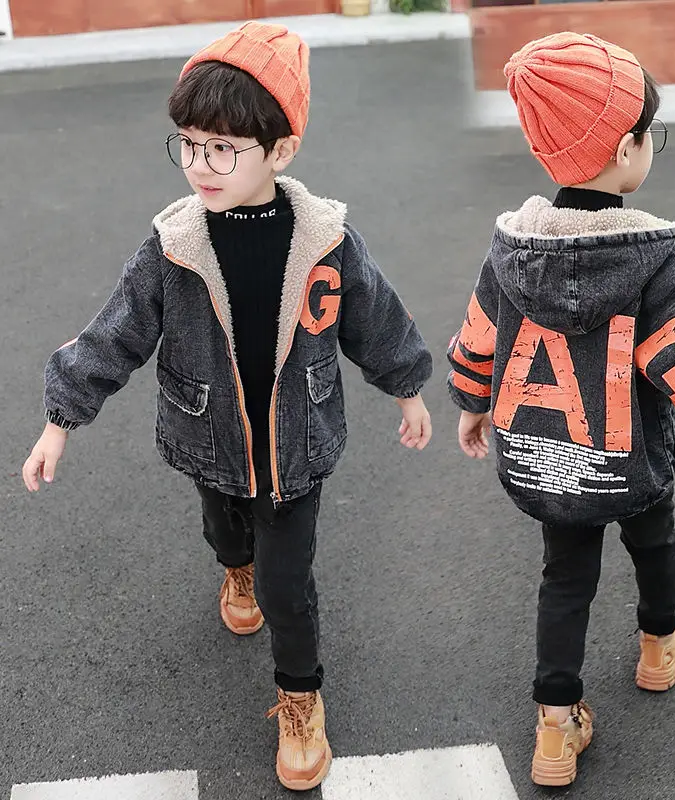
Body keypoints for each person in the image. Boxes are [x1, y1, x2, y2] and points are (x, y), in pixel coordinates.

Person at [22, 22, 433, 792]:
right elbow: (114, 334)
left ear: (281, 150)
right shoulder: (173, 246)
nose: (198, 165)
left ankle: (300, 697)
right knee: (224, 530)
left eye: (221, 148)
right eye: (187, 144)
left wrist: (407, 388)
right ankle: (232, 569)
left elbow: (374, 318)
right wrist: (59, 421)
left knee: (289, 586)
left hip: (295, 447)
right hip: (210, 437)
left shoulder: (326, 241)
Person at [447, 31, 675, 787]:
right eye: (649, 135)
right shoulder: (652, 258)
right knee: (654, 542)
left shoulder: (513, 249)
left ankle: (555, 724)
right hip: (629, 460)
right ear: (627, 149)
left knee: (565, 580)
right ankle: (660, 644)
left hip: (546, 461)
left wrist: (471, 401)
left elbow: (479, 333)